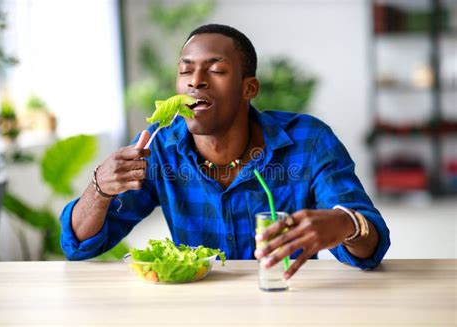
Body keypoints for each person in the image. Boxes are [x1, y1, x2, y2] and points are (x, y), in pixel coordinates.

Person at [60, 24, 390, 279]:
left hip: (286, 300)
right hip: (197, 306)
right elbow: (79, 246)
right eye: (185, 70)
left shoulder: (309, 139)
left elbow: (371, 248)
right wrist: (99, 189)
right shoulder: (160, 148)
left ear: (249, 88)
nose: (196, 81)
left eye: (216, 70)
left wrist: (347, 223)